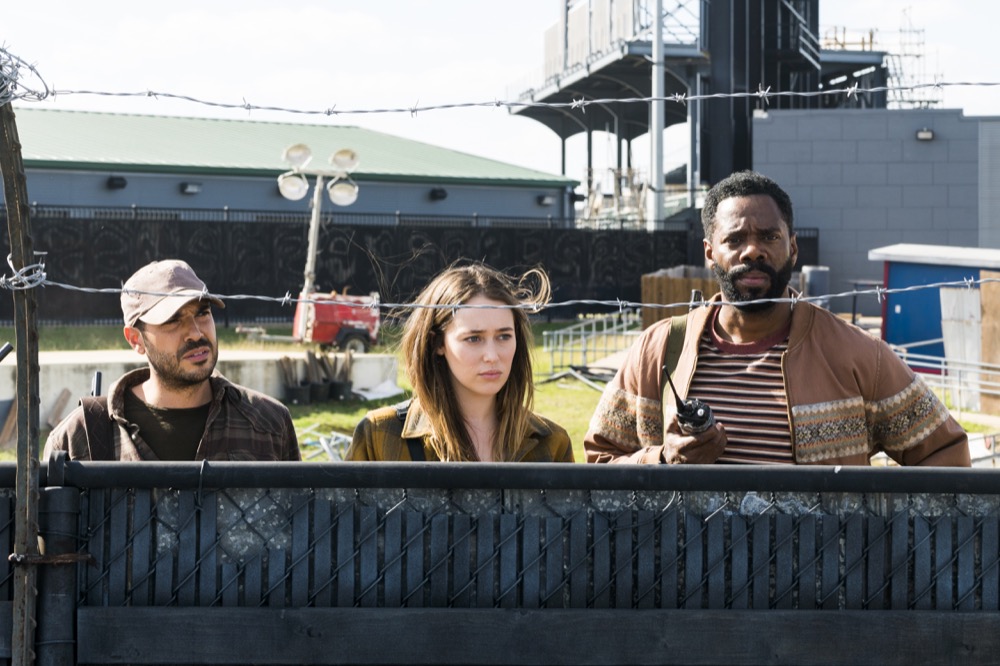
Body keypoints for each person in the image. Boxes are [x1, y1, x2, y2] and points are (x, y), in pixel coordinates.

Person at [585, 170, 970, 466]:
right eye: (735, 239)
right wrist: (662, 459)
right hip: (681, 571)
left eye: (769, 237)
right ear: (709, 252)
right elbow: (597, 463)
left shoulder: (857, 355)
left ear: (793, 247)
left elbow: (945, 452)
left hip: (817, 573)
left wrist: (881, 546)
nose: (753, 251)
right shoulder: (658, 351)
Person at [44, 259, 300, 461]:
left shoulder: (268, 425)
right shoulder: (80, 437)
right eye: (172, 320)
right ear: (136, 339)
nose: (196, 333)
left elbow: (298, 525)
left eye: (202, 313)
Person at [347, 263, 573, 462]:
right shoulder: (378, 436)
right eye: (473, 339)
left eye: (504, 336)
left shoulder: (552, 444)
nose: (492, 355)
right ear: (437, 343)